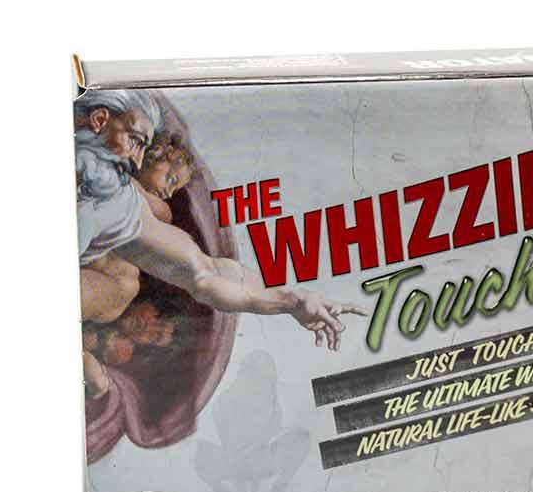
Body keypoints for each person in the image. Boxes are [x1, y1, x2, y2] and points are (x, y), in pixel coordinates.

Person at [75, 89, 363, 366]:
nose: (137, 160)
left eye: (143, 147)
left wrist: (289, 299)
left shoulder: (121, 204)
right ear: (99, 120)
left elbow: (204, 272)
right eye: (136, 141)